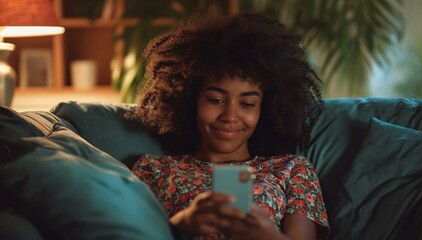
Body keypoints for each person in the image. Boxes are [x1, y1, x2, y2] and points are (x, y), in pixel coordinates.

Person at [131, 12, 330, 240]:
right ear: (189, 99)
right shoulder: (153, 169)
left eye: (247, 103)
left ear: (264, 109)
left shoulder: (292, 170)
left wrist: (267, 236)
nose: (230, 116)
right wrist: (181, 225)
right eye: (216, 100)